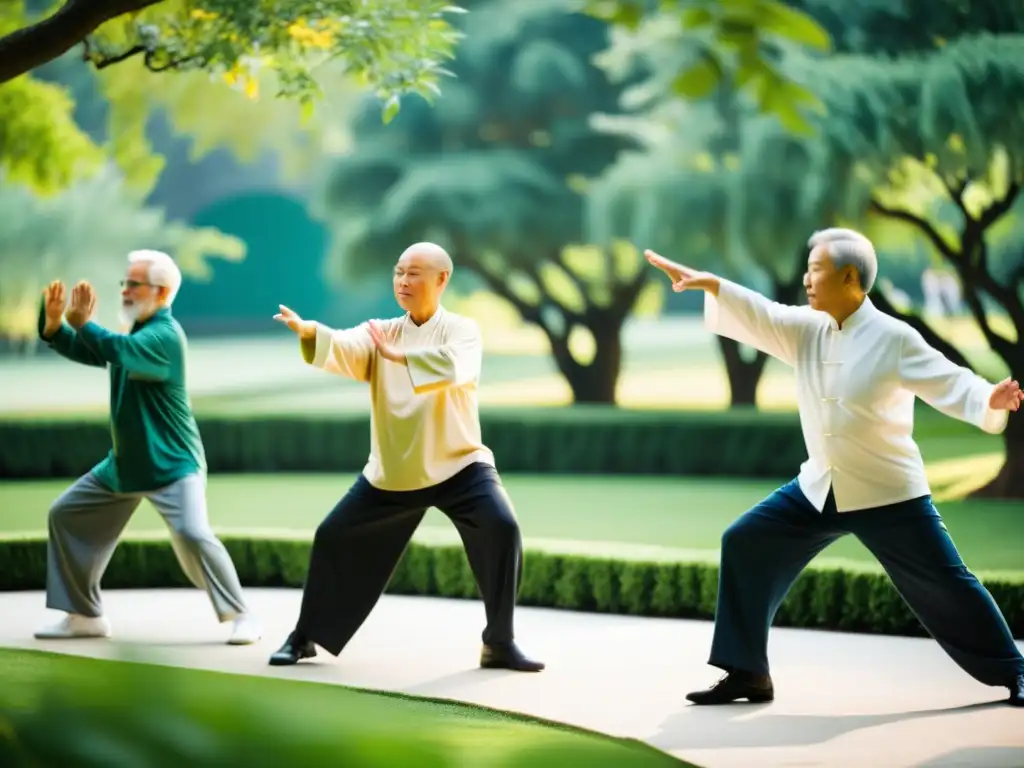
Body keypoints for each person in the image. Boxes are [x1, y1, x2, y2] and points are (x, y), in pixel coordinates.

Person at [645, 228, 1024, 707]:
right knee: (745, 541)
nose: (806, 278)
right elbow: (763, 314)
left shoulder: (894, 338)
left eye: (816, 269)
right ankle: (748, 673)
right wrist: (712, 285)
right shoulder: (806, 328)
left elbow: (948, 379)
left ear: (849, 278)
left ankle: (1016, 670)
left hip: (889, 493)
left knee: (949, 584)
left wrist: (987, 398)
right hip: (820, 487)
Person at [268, 242, 543, 672]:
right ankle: (304, 637)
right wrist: (309, 332)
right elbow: (344, 346)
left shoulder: (462, 330)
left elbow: (457, 368)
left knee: (502, 527)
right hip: (393, 473)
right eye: (399, 272)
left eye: (414, 273)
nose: (403, 281)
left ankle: (500, 642)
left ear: (441, 280)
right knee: (333, 535)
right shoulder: (381, 332)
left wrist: (402, 357)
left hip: (460, 464)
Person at [33, 250, 261, 646]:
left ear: (162, 291)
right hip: (124, 467)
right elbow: (98, 351)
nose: (125, 290)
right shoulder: (137, 335)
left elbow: (113, 350)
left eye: (133, 284)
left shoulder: (164, 336)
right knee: (66, 514)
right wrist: (55, 327)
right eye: (125, 282)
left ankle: (242, 615)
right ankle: (84, 616)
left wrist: (85, 325)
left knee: (192, 532)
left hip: (173, 465)